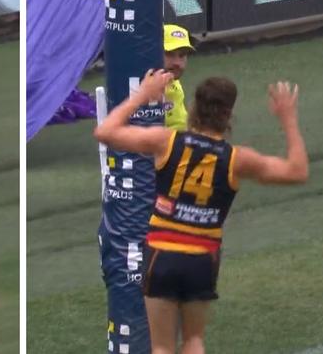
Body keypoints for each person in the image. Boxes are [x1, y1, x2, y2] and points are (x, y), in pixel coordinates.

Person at [94, 70, 308, 354]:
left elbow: (105, 132)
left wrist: (143, 95)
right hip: (202, 257)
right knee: (194, 341)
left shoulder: (166, 141)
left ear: (194, 107)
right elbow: (297, 171)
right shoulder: (237, 158)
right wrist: (288, 119)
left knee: (161, 346)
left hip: (162, 253)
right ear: (229, 114)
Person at [163, 24, 195, 131]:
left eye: (182, 55)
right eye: (169, 54)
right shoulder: (137, 88)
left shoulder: (172, 79)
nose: (178, 63)